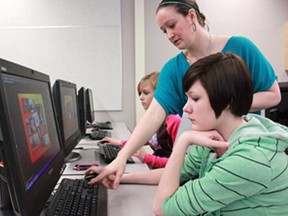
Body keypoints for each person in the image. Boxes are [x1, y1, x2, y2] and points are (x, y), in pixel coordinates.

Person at [92, 0, 281, 189]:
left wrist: (221, 105)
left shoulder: (241, 48)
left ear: (192, 16)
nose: (169, 35)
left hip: (239, 150)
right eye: (164, 31)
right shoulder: (174, 69)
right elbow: (153, 114)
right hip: (203, 155)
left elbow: (273, 95)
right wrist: (121, 158)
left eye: (172, 25)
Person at [152, 52, 288, 215]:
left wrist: (183, 141)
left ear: (227, 101)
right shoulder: (219, 136)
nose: (185, 108)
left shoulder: (249, 159)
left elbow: (162, 209)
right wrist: (124, 177)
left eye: (195, 99)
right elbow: (175, 173)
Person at [101, 72, 181, 168]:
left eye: (145, 93)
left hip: (168, 174)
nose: (140, 97)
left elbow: (180, 164)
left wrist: (146, 158)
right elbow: (142, 139)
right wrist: (119, 143)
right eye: (140, 93)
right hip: (156, 169)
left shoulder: (174, 122)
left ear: (161, 94)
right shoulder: (154, 121)